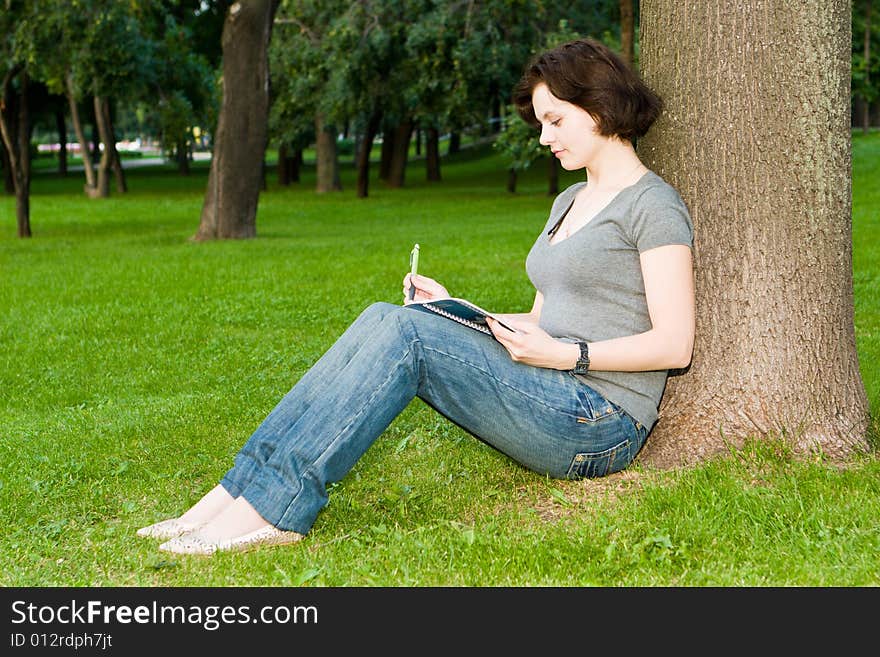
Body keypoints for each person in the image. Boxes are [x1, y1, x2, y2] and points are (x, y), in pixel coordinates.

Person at [138, 38, 695, 555]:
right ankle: (232, 495)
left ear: (599, 107)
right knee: (390, 317)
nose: (544, 137)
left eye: (555, 120)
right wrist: (453, 311)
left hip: (600, 421)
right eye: (542, 123)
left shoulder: (652, 205)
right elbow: (539, 319)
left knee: (404, 334)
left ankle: (273, 509)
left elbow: (675, 345)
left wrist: (570, 357)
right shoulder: (570, 199)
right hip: (551, 384)